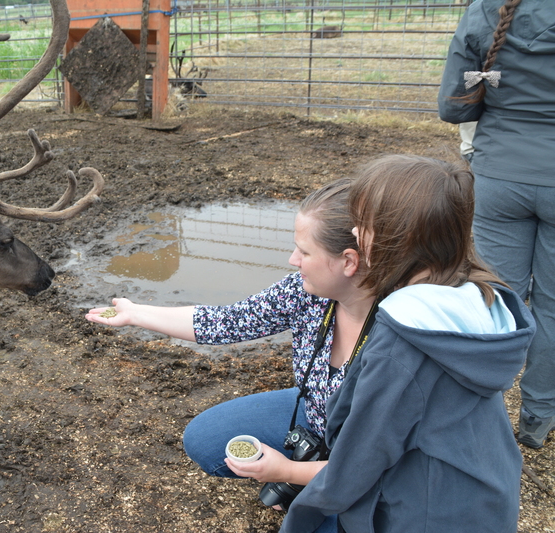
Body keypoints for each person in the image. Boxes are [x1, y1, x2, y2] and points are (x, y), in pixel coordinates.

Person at [85, 178, 375, 533]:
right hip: (317, 415)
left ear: (348, 261)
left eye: (305, 251)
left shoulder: (396, 338)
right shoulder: (307, 292)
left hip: (371, 459)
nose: (292, 259)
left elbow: (373, 463)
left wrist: (287, 471)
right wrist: (137, 314)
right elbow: (227, 321)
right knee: (205, 439)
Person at [282, 155, 536, 533]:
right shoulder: (474, 299)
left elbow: (360, 460)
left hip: (422, 513)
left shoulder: (402, 341)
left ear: (396, 237)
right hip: (484, 492)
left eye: (363, 224)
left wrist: (299, 514)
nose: (353, 230)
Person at [438, 0, 555, 448]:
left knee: (493, 297)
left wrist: (499, 88)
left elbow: (454, 106)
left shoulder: (489, 9)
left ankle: (473, 415)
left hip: (501, 178)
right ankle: (537, 420)